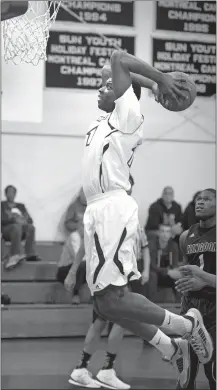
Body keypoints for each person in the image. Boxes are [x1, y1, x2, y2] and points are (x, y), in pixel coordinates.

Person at [74, 50, 213, 388]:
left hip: (112, 210)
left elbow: (118, 58)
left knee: (116, 299)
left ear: (123, 96)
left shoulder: (128, 114)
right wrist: (151, 82)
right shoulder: (101, 122)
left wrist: (161, 80)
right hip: (95, 211)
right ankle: (172, 348)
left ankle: (186, 327)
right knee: (106, 307)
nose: (101, 87)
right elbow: (113, 69)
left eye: (109, 86)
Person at [68, 176, 151, 389]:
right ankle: (104, 370)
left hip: (119, 275)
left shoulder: (126, 213)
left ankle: (84, 368)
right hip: (109, 275)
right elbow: (85, 246)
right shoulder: (105, 211)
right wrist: (73, 270)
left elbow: (142, 246)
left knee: (102, 322)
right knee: (112, 322)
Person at [175, 189, 216, 390]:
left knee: (213, 374)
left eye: (206, 199)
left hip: (215, 308)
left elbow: (199, 276)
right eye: (198, 199)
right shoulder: (186, 236)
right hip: (191, 308)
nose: (200, 203)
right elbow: (187, 271)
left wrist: (204, 282)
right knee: (186, 376)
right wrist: (185, 284)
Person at [56, 188, 87, 304]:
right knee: (82, 265)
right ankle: (75, 295)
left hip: (79, 269)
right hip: (66, 269)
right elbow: (78, 259)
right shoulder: (75, 236)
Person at [1, 185, 41, 269]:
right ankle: (14, 255)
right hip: (7, 230)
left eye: (13, 192)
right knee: (16, 227)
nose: (11, 194)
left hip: (20, 229)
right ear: (5, 194)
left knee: (30, 227)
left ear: (15, 194)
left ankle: (30, 254)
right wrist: (14, 220)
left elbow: (30, 220)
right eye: (9, 192)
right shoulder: (2, 205)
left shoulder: (20, 206)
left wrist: (24, 221)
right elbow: (2, 220)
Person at [148, 224, 180, 302]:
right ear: (158, 233)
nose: (165, 234)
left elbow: (175, 264)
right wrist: (167, 271)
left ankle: (180, 306)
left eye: (167, 232)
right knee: (152, 276)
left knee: (180, 277)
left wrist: (176, 272)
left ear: (170, 234)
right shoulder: (151, 244)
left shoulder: (174, 245)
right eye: (162, 231)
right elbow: (152, 266)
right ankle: (151, 304)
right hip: (155, 273)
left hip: (168, 273)